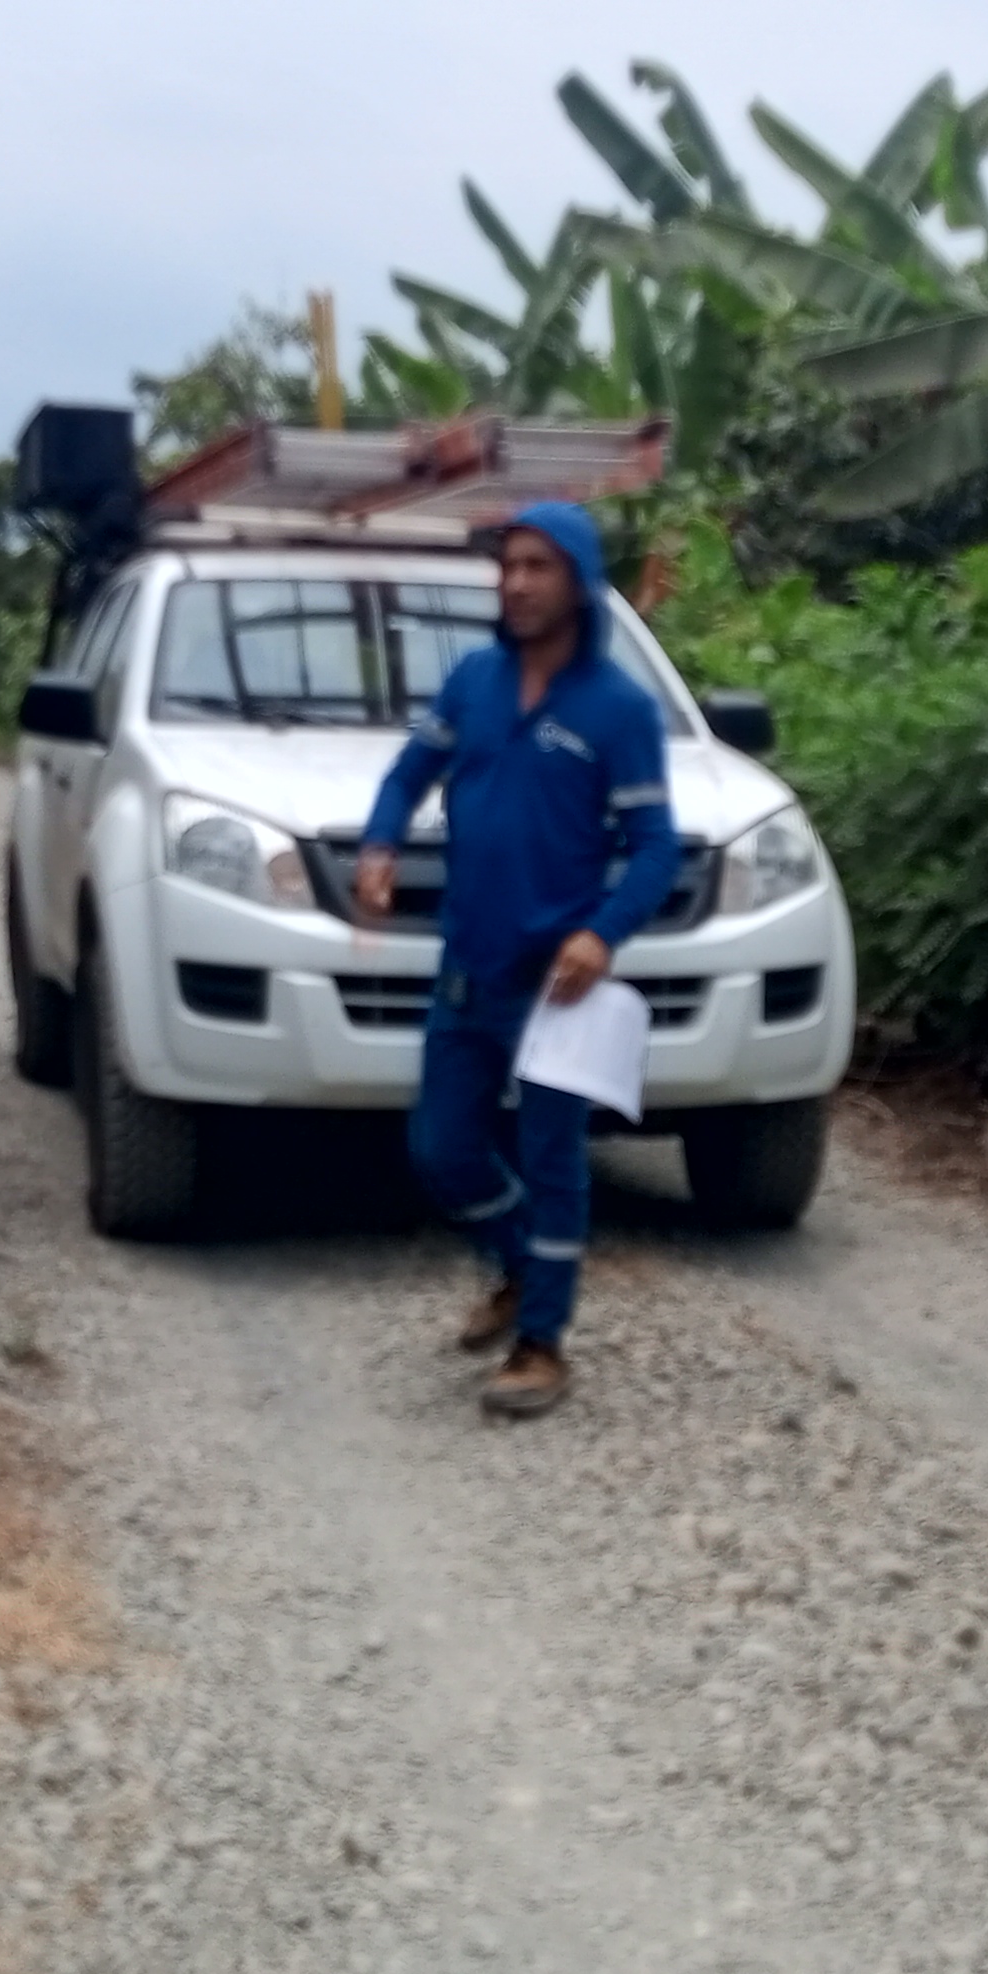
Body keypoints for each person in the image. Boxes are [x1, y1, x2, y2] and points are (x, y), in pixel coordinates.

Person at [353, 500, 676, 1421]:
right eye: (509, 567)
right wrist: (380, 843)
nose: (518, 583)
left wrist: (602, 933)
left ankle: (541, 1343)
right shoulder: (473, 684)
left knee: (552, 1160)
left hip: (557, 988)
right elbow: (408, 776)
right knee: (442, 1148)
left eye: (539, 566)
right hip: (469, 966)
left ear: (579, 582)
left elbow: (655, 846)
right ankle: (522, 1265)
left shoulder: (619, 710)